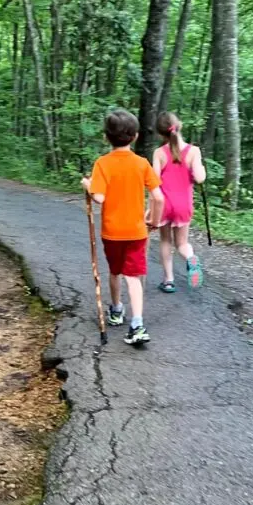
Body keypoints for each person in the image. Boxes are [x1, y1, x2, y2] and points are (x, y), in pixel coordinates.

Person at [82, 109, 165, 346]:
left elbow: (99, 198)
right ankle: (137, 323)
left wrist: (87, 184)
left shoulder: (103, 164)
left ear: (106, 137)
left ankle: (117, 310)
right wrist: (155, 221)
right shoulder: (141, 164)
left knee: (116, 272)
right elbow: (158, 197)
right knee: (134, 276)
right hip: (137, 231)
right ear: (136, 136)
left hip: (112, 232)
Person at [153, 111, 207, 292]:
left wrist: (149, 209)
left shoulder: (159, 153)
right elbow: (200, 178)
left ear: (161, 134)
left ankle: (168, 281)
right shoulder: (194, 151)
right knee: (182, 243)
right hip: (184, 204)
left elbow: (153, 181)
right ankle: (191, 259)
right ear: (180, 125)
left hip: (164, 204)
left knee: (165, 241)